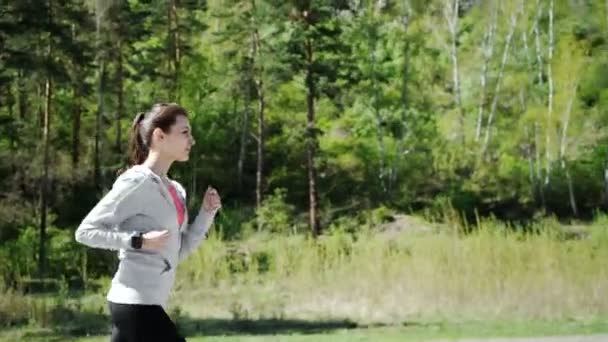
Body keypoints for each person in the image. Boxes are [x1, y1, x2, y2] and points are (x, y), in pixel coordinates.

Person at [75, 103, 221, 342]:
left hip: (149, 304)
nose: (192, 140)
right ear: (159, 136)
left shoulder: (176, 190)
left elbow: (178, 251)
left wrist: (206, 214)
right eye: (185, 132)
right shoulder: (136, 182)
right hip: (135, 304)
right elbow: (86, 232)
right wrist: (137, 241)